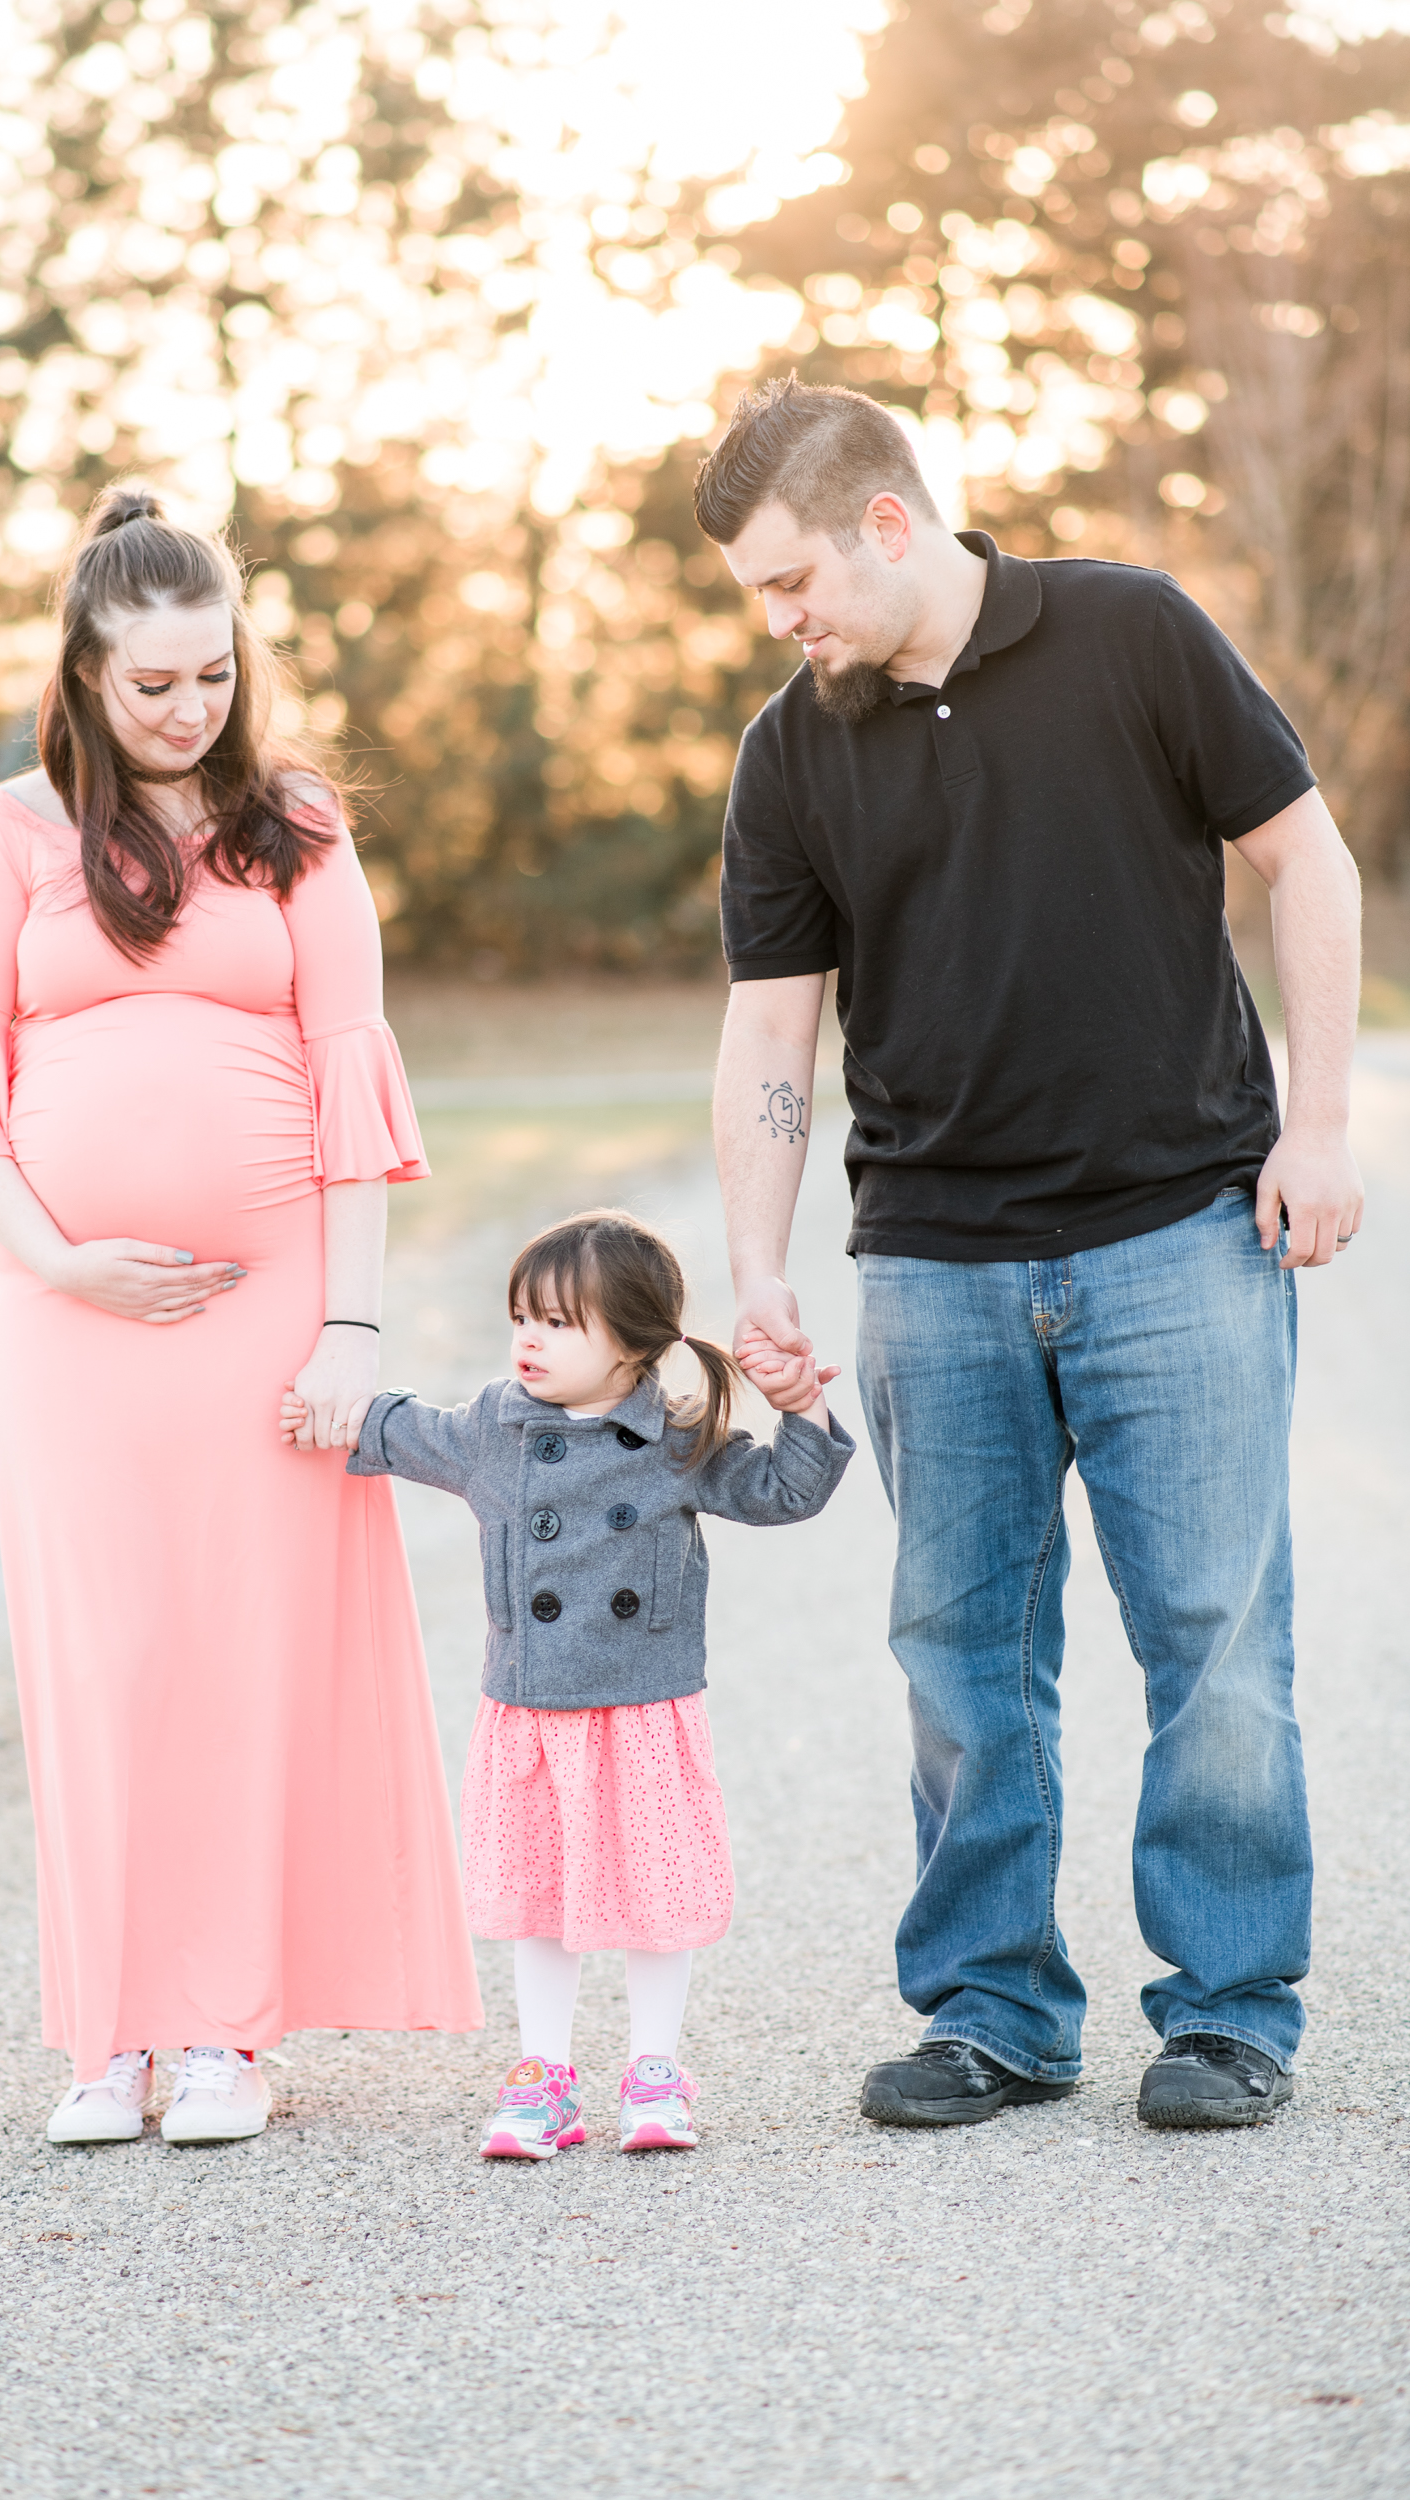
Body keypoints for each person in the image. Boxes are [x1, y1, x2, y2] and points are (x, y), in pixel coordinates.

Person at [696, 377, 1363, 2131]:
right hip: (932, 1260)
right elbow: (770, 1032)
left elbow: (1304, 860)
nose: (777, 622)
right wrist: (757, 1267)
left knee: (1214, 1645)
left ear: (886, 525)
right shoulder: (790, 750)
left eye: (789, 582)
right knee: (958, 1657)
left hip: (1178, 1234)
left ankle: (1227, 2012)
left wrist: (1316, 1125)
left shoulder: (1129, 633)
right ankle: (993, 2011)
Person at [0, 483, 481, 2147]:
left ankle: (223, 2029)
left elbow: (352, 1079)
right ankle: (110, 2033)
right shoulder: (16, 831)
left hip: (265, 1311)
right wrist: (55, 1261)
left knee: (241, 1652)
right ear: (83, 672)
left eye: (213, 675)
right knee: (104, 1657)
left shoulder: (296, 823)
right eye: (151, 682)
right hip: (61, 1317)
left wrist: (351, 1330)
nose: (186, 707)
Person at [282, 1208, 853, 2157]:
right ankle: (543, 2076)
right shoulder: (492, 1430)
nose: (528, 1340)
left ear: (633, 1342)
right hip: (532, 1709)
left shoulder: (675, 1441)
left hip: (643, 1707)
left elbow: (785, 1492)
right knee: (537, 1898)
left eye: (557, 1322)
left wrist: (801, 1410)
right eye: (521, 1317)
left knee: (654, 1896)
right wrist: (323, 1410)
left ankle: (654, 2071)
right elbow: (394, 1429)